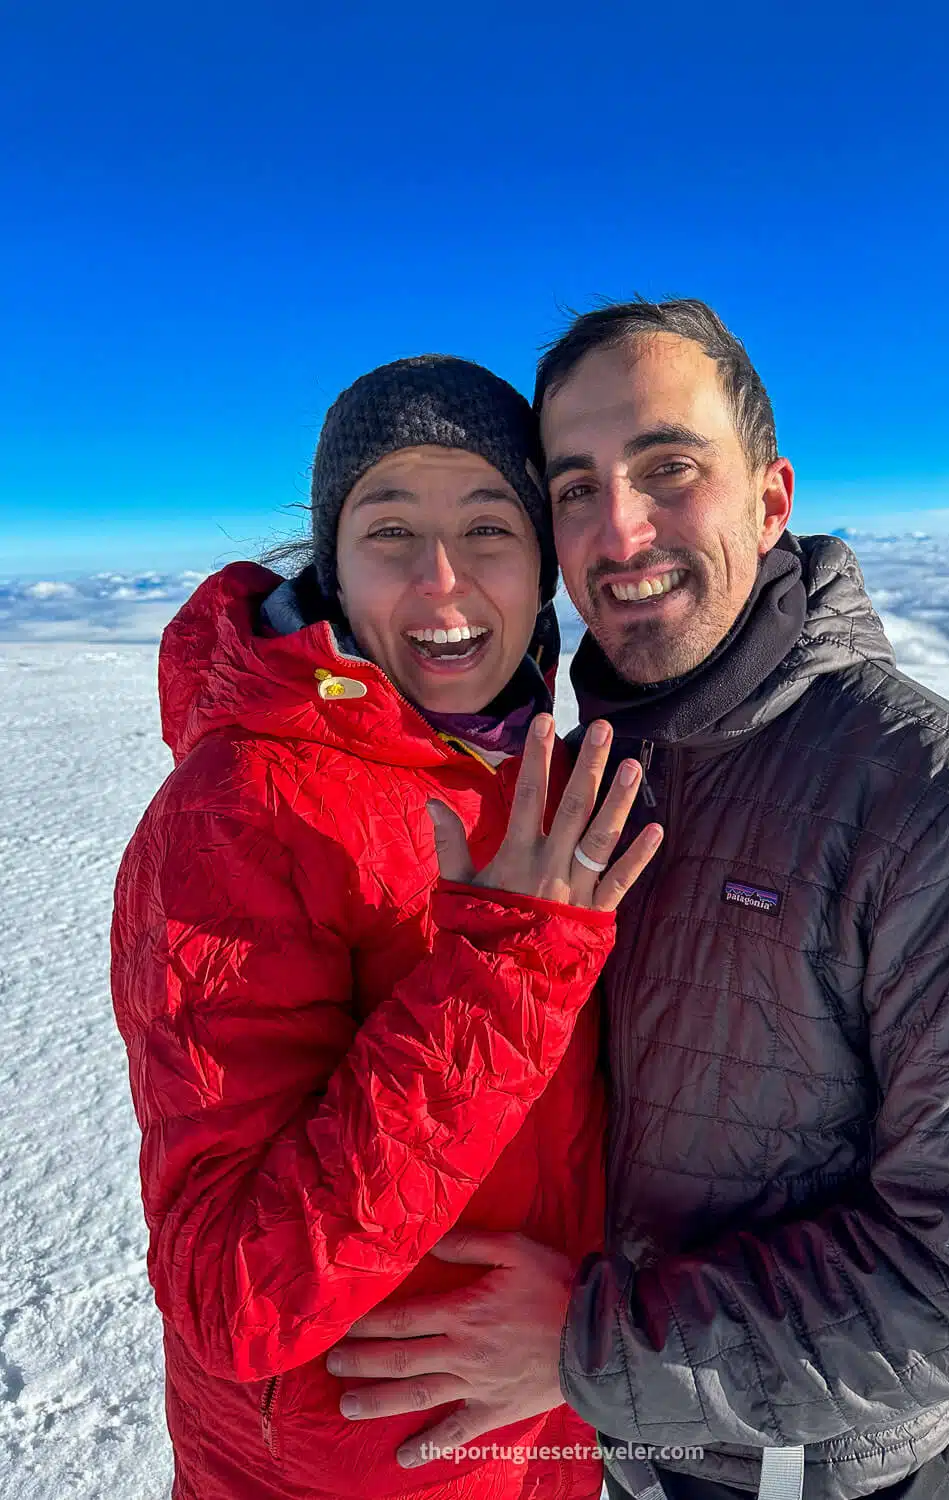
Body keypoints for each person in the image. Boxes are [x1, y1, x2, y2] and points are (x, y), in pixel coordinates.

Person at [331, 304, 949, 1500]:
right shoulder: (583, 774)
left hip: (798, 1478)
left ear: (772, 499)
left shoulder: (942, 804)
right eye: (574, 488)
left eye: (669, 469)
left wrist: (589, 1346)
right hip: (597, 1451)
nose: (619, 528)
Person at [109, 355, 662, 1500]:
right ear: (332, 563)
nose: (445, 587)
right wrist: (506, 972)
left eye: (489, 528)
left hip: (538, 1454)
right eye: (392, 530)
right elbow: (235, 1297)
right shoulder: (241, 813)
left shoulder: (525, 780)